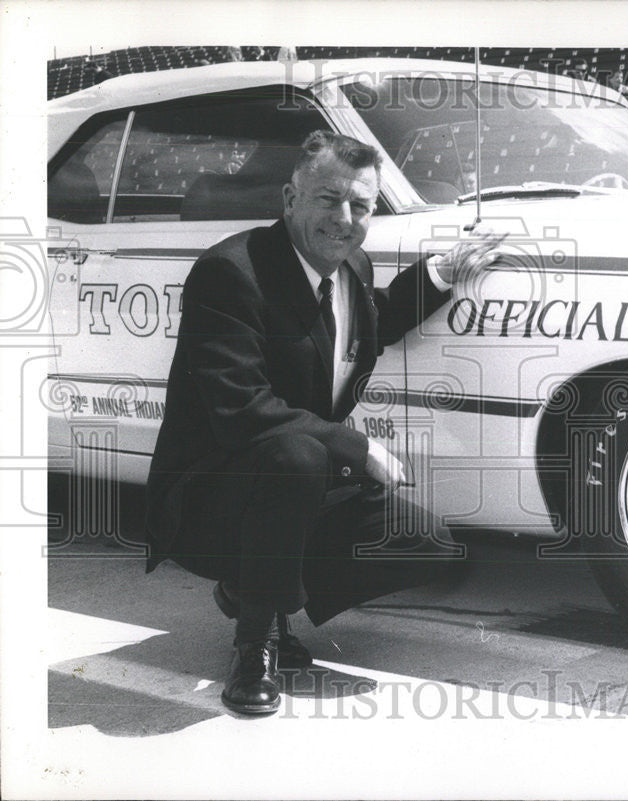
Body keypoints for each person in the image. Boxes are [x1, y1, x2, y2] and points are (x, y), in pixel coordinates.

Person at [145, 131, 505, 715]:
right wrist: (357, 448)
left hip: (294, 490)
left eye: (361, 206)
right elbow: (242, 410)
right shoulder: (229, 274)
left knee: (424, 542)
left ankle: (249, 588)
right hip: (209, 500)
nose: (345, 218)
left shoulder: (351, 265)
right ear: (290, 198)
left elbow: (367, 324)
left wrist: (443, 271)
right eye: (327, 199)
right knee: (298, 456)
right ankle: (257, 645)